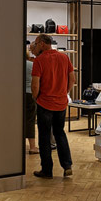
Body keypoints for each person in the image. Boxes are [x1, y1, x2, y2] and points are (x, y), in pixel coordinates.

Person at [30, 34, 74, 179]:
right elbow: (72, 79)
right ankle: (67, 165)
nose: (35, 46)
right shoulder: (64, 57)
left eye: (36, 43)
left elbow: (35, 84)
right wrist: (64, 93)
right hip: (61, 103)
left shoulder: (39, 60)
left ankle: (47, 170)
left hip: (45, 103)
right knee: (60, 133)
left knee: (44, 137)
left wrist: (36, 97)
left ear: (42, 44)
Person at [25, 50, 38, 154]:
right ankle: (32, 147)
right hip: (30, 94)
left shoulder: (14, 66)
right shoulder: (32, 65)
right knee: (30, 120)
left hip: (16, 96)